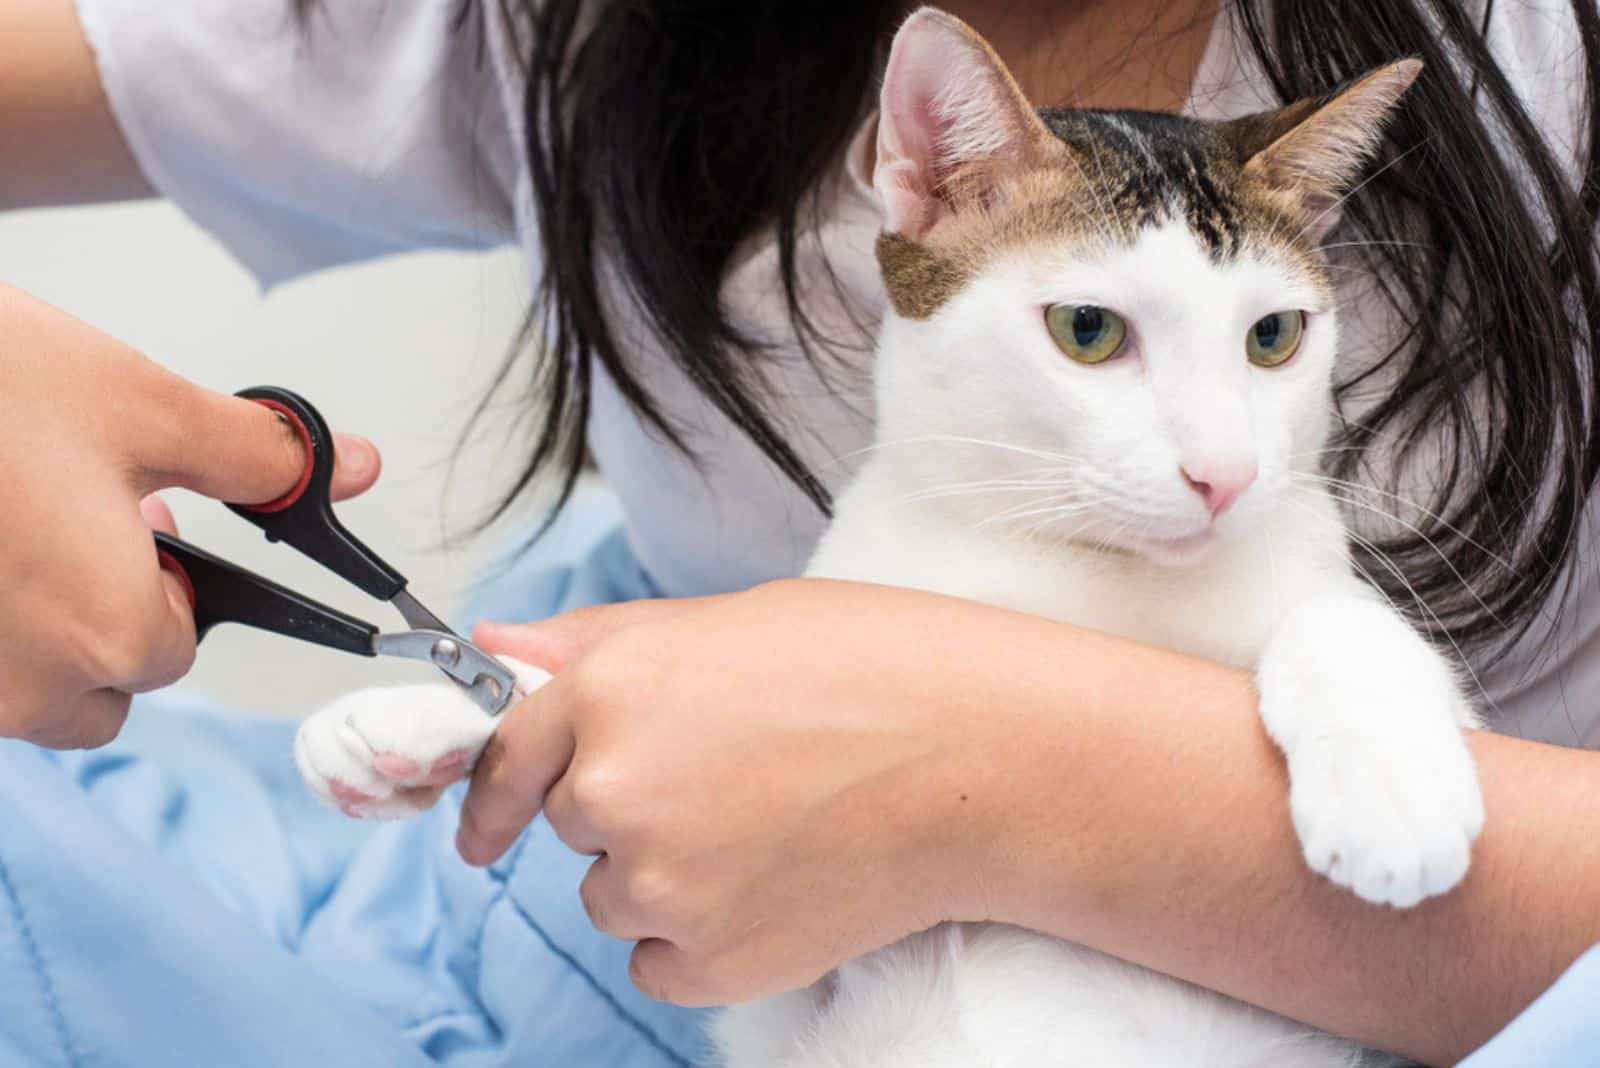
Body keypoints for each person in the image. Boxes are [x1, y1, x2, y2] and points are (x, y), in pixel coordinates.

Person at [1, 0, 1597, 1065]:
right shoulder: (569, 35)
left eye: (1272, 343)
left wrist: (996, 778)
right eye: (1098, 337)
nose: (1214, 461)